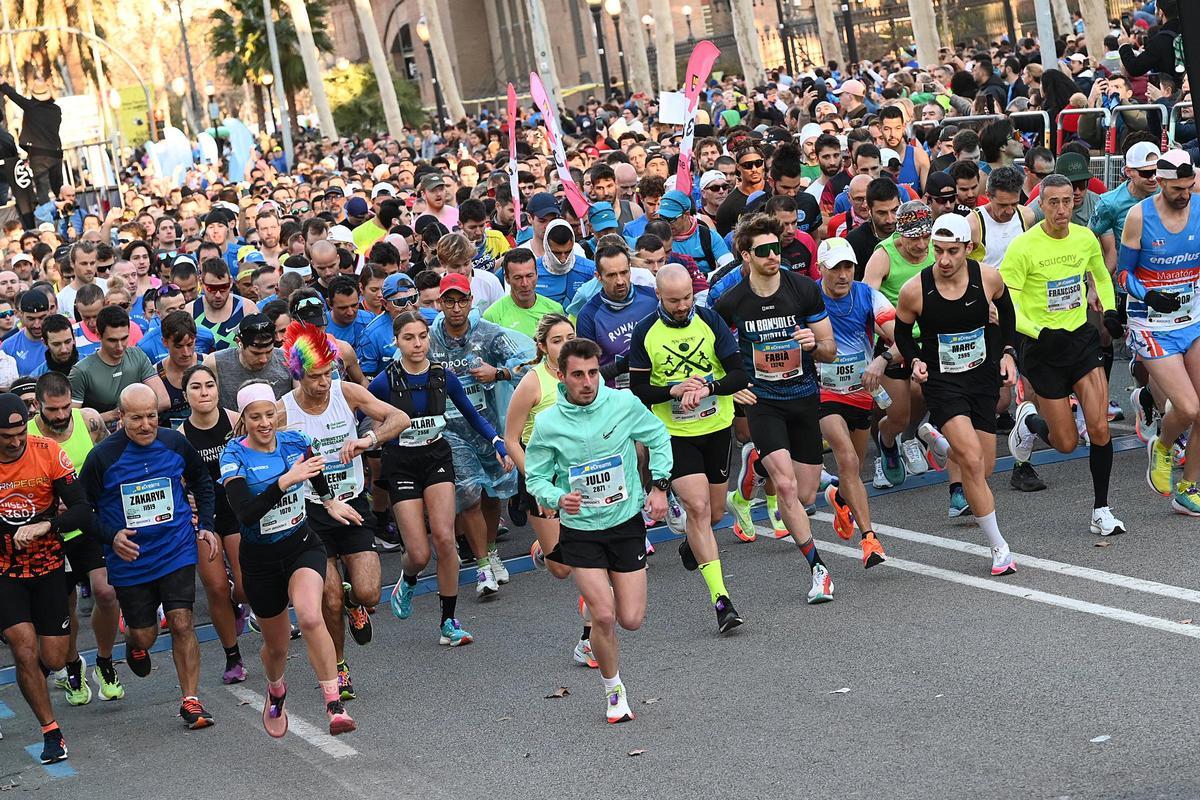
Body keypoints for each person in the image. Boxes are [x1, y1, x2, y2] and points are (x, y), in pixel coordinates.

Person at [524, 338, 672, 724]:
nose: (587, 382)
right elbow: (536, 476)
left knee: (632, 619)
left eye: (593, 373)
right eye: (578, 375)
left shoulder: (622, 404)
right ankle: (614, 692)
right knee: (604, 618)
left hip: (624, 525)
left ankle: (575, 577)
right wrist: (557, 497)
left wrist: (659, 485)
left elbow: (657, 435)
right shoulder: (548, 422)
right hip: (580, 530)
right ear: (561, 375)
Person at [277, 320, 409, 701]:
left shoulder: (345, 391)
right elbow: (250, 445)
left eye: (328, 372)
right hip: (310, 512)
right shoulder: (283, 412)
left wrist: (367, 439)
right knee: (329, 599)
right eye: (316, 376)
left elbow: (398, 418)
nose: (324, 382)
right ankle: (339, 668)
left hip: (350, 503)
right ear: (298, 375)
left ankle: (357, 605)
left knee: (367, 592)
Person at [218, 381, 358, 737]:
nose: (264, 423)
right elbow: (245, 514)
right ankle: (276, 688)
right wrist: (283, 482)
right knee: (277, 646)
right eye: (255, 417)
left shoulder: (295, 441)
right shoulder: (233, 456)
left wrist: (329, 501)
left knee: (312, 617)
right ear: (244, 420)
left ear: (276, 414)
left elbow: (315, 471)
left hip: (300, 544)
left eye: (269, 414)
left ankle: (334, 705)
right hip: (261, 560)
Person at [78, 384, 219, 730]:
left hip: (176, 548)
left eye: (152, 416)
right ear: (120, 418)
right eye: (137, 418)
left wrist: (207, 525)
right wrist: (111, 537)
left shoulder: (174, 442)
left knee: (183, 621)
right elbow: (82, 511)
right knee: (146, 635)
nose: (145, 425)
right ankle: (134, 643)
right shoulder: (103, 457)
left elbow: (202, 480)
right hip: (131, 558)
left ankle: (191, 700)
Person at [714, 213, 837, 604]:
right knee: (784, 487)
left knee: (802, 495)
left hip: (802, 397)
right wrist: (732, 391)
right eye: (764, 250)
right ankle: (819, 569)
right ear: (746, 256)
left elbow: (830, 350)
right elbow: (716, 358)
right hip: (763, 402)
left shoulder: (803, 290)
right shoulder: (730, 301)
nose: (773, 256)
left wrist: (812, 344)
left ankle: (756, 465)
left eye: (777, 248)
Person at [893, 214, 1020, 575]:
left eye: (952, 251)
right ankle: (1000, 549)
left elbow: (1008, 313)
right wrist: (914, 360)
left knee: (983, 466)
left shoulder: (988, 278)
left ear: (968, 249)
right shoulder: (915, 289)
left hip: (981, 378)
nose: (944, 260)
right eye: (938, 251)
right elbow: (902, 333)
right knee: (972, 461)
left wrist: (1009, 353)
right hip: (943, 382)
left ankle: (938, 442)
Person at [374, 311, 509, 645]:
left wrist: (497, 442)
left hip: (435, 457)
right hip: (402, 463)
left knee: (446, 541)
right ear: (397, 342)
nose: (417, 344)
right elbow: (364, 417)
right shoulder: (383, 381)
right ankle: (407, 580)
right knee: (419, 553)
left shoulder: (442, 376)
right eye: (409, 338)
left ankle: (449, 622)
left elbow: (471, 412)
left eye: (422, 336)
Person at [1003, 175, 1125, 537]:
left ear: (1075, 203)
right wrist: (1039, 331)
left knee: (1100, 428)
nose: (1061, 209)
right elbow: (1007, 302)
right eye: (1053, 202)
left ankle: (1101, 510)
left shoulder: (1085, 237)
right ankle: (1028, 425)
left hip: (1080, 341)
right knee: (1066, 442)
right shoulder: (1024, 247)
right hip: (1042, 348)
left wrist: (1110, 310)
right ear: (1041, 204)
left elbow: (1100, 276)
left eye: (1067, 202)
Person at [628, 264, 748, 632]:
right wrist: (674, 391)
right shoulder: (645, 331)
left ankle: (692, 547)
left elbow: (738, 374)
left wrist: (708, 388)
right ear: (659, 297)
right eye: (674, 300)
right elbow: (639, 389)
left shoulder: (709, 321)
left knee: (712, 515)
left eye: (686, 299)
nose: (682, 307)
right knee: (696, 509)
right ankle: (722, 601)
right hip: (674, 434)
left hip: (715, 427)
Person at [0, 391, 92, 763]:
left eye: (20, 432)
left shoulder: (49, 452)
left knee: (51, 657)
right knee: (23, 648)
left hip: (49, 565)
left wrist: (46, 526)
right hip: (4, 571)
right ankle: (51, 732)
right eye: (6, 438)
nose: (16, 441)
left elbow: (83, 510)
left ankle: (34, 673)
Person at [504, 313, 599, 664]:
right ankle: (544, 550)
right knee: (561, 568)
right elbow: (511, 439)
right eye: (557, 339)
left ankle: (587, 639)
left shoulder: (583, 377)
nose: (564, 344)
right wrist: (537, 482)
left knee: (592, 554)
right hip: (542, 473)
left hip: (581, 473)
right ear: (542, 346)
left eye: (569, 337)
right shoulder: (532, 382)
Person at [428, 273, 527, 596]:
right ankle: (483, 567)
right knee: (469, 493)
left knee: (492, 494)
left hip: (489, 428)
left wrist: (496, 372)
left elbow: (527, 365)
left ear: (471, 301)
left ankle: (492, 553)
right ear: (440, 303)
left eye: (462, 300)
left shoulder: (489, 334)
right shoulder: (429, 340)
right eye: (449, 301)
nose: (456, 308)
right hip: (450, 432)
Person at [31, 373, 123, 706]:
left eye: (64, 407)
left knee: (106, 591)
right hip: (51, 530)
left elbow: (110, 465)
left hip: (89, 524)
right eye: (51, 409)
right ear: (39, 406)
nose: (59, 415)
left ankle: (104, 659)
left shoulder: (91, 422)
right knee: (65, 605)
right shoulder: (26, 435)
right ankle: (72, 665)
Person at [1116, 150, 1200, 514]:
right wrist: (1150, 294)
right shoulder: (1139, 216)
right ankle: (1164, 445)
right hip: (1152, 325)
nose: (1184, 195)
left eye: (1189, 187)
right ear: (1162, 182)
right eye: (1177, 188)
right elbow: (1122, 274)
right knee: (1188, 406)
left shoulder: (1198, 208)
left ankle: (1188, 488)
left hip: (1193, 321)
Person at [813, 238, 892, 567]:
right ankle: (869, 539)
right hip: (824, 392)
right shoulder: (808, 297)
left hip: (861, 392)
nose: (843, 275)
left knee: (853, 468)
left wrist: (882, 359)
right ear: (821, 269)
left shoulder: (867, 295)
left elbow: (899, 337)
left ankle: (839, 497)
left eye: (848, 267)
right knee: (845, 458)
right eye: (835, 268)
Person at [180, 363, 249, 684]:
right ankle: (232, 657)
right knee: (217, 588)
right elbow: (173, 480)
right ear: (185, 395)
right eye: (196, 387)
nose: (204, 392)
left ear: (218, 390)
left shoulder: (235, 421)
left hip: (236, 511)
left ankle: (241, 605)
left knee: (245, 588)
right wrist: (185, 496)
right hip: (202, 519)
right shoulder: (179, 436)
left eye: (209, 385)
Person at [69, 306, 167, 426]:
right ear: (98, 335)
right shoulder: (81, 371)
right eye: (112, 340)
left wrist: (131, 418)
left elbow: (163, 400)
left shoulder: (137, 355)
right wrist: (112, 415)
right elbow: (72, 420)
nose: (120, 346)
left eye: (124, 338)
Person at [203, 314, 294, 412]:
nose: (264, 359)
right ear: (239, 342)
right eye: (256, 353)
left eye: (269, 352)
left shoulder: (288, 359)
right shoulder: (215, 363)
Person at [483, 248, 566, 339]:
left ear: (537, 274)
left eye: (529, 276)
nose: (525, 283)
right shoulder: (492, 316)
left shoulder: (555, 309)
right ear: (507, 278)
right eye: (518, 278)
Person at [192, 258, 258, 351]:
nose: (218, 295)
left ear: (231, 282)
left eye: (223, 287)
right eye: (212, 289)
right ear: (201, 283)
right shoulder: (190, 311)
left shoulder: (247, 308)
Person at [2, 288, 49, 374]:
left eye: (42, 318)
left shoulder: (62, 340)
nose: (37, 325)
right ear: (21, 314)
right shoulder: (8, 346)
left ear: (49, 312)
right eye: (31, 319)